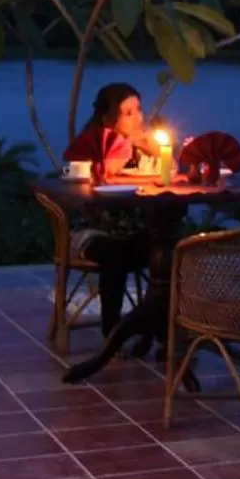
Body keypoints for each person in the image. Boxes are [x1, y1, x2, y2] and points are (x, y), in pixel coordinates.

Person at [61, 83, 155, 335]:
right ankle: (112, 331)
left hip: (133, 230)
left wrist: (159, 153)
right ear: (107, 118)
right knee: (116, 254)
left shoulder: (143, 149)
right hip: (91, 232)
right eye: (128, 112)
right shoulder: (92, 147)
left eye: (138, 110)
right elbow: (85, 183)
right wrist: (120, 151)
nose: (138, 117)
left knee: (169, 248)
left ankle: (158, 326)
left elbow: (165, 177)